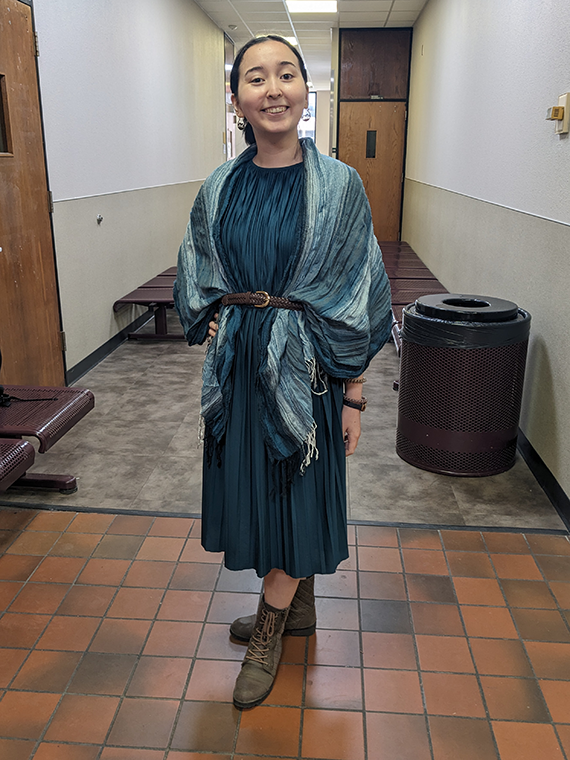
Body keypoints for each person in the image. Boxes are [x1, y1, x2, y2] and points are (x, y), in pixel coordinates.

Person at [174, 35, 392, 710]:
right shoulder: (221, 185)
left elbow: (359, 289)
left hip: (310, 370)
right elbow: (198, 268)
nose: (273, 89)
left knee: (297, 494)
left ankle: (270, 627)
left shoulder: (341, 187)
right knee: (262, 494)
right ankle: (296, 608)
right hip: (241, 372)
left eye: (287, 75)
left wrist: (355, 396)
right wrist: (214, 312)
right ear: (237, 98)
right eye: (256, 78)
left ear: (306, 91)